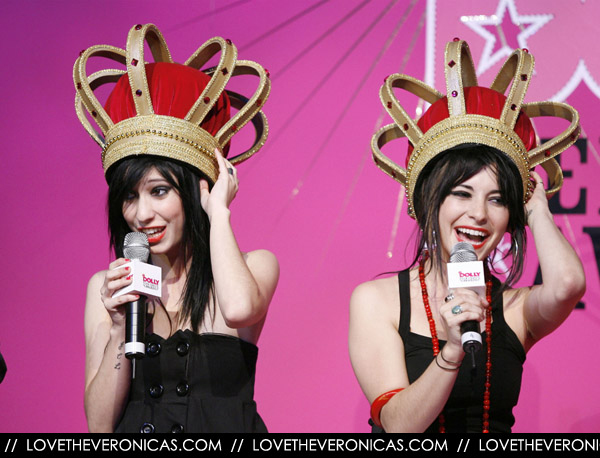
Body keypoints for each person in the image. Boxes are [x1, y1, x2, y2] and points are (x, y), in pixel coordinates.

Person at [349, 40, 585, 433]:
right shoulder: (377, 300)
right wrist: (453, 351)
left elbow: (568, 285)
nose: (479, 213)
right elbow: (397, 426)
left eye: (497, 199)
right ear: (430, 201)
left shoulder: (514, 308)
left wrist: (536, 207)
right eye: (462, 193)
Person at [75, 24, 278, 433]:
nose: (141, 214)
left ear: (194, 190)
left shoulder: (256, 265)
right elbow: (99, 426)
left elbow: (239, 310)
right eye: (129, 197)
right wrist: (119, 328)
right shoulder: (109, 287)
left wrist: (218, 211)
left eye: (159, 191)